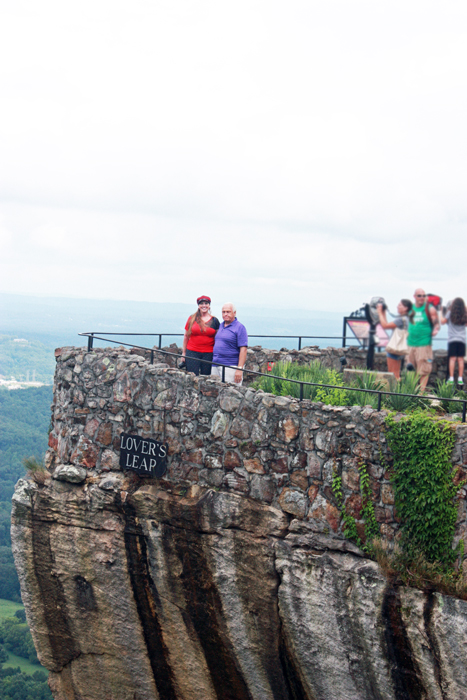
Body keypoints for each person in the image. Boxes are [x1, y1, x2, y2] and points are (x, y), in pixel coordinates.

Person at [407, 288, 440, 392]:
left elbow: (436, 322)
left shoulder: (429, 309)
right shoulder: (410, 309)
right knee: (411, 370)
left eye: (423, 295)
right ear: (414, 296)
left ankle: (421, 393)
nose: (422, 298)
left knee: (424, 369)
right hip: (411, 343)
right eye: (419, 295)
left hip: (424, 343)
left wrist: (435, 329)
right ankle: (411, 392)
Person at [181, 296, 220, 375]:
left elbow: (218, 338)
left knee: (206, 377)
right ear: (198, 306)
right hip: (192, 352)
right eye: (201, 303)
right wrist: (184, 353)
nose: (204, 305)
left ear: (209, 306)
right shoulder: (192, 318)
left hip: (208, 353)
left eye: (206, 303)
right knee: (192, 376)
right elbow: (186, 336)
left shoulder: (215, 321)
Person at [211, 303, 248, 384]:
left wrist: (240, 369)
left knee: (230, 394)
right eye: (223, 312)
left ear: (234, 313)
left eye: (228, 312)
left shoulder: (240, 327)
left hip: (230, 366)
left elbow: (243, 349)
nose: (225, 314)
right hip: (215, 364)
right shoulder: (221, 326)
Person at [376, 300, 413, 380]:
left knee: (392, 374)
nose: (397, 306)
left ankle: (392, 391)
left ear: (406, 308)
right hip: (399, 348)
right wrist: (384, 312)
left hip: (394, 348)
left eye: (400, 305)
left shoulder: (400, 320)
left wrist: (379, 312)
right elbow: (386, 323)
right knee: (396, 374)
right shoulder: (406, 319)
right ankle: (398, 390)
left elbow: (385, 325)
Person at [441, 297, 467, 386]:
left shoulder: (450, 313)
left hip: (452, 339)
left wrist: (441, 313)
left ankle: (451, 378)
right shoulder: (464, 314)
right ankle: (460, 378)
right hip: (462, 340)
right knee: (460, 360)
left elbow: (443, 322)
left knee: (452, 359)